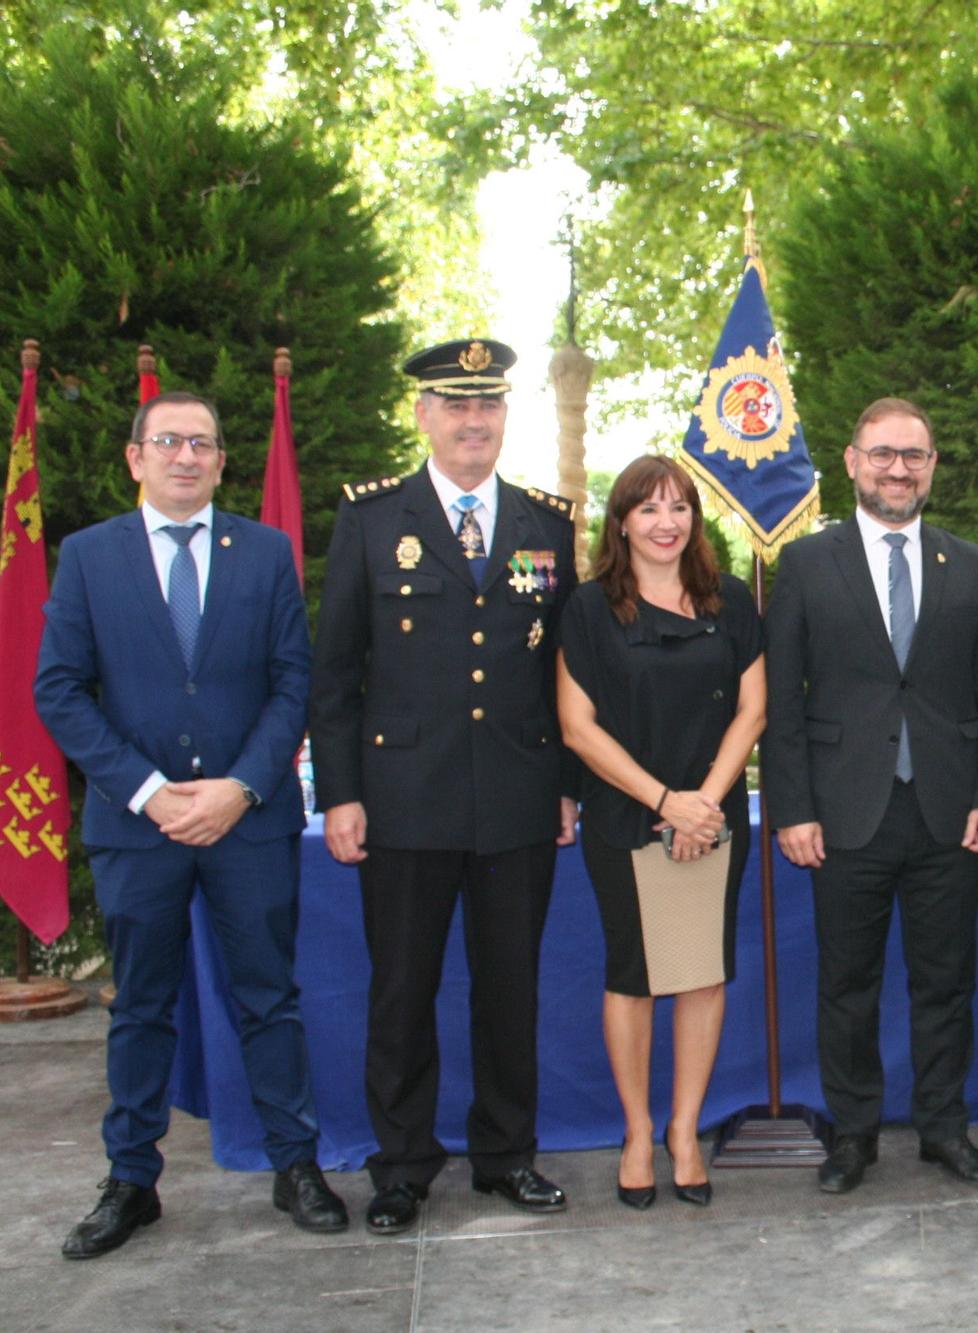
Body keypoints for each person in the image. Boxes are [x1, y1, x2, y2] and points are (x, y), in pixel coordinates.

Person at [36, 391, 346, 1258]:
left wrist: (240, 787)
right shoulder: (90, 556)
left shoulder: (267, 553)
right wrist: (148, 790)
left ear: (220, 461)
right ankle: (130, 1178)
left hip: (246, 823)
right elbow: (58, 688)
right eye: (168, 441)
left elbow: (295, 683)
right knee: (140, 1005)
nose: (185, 456)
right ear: (135, 457)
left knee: (268, 997)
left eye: (202, 444)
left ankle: (296, 1164)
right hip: (138, 828)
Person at [308, 338, 580, 1235]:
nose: (475, 422)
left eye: (490, 406)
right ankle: (402, 1166)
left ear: (506, 416)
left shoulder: (547, 523)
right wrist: (340, 791)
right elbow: (336, 669)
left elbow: (567, 675)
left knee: (510, 989)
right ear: (423, 415)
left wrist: (567, 785)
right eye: (456, 406)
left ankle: (506, 1156)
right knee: (402, 990)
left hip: (516, 795)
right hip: (403, 798)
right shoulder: (372, 519)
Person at [764, 397, 978, 1194]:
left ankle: (944, 1130)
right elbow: (782, 698)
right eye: (882, 453)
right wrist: (793, 808)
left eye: (913, 454)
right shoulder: (806, 563)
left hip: (949, 811)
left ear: (932, 465)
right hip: (844, 814)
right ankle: (853, 1137)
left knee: (946, 983)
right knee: (848, 985)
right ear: (851, 461)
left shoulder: (969, 563)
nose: (898, 469)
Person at [556, 455, 765, 1210]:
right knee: (635, 976)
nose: (667, 522)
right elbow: (577, 729)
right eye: (649, 508)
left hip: (714, 816)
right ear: (621, 522)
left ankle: (685, 1131)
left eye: (680, 507)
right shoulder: (586, 608)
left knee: (704, 972)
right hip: (624, 817)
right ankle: (638, 1132)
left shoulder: (730, 599)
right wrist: (663, 802)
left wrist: (702, 804)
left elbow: (753, 710)